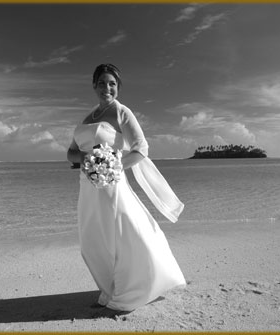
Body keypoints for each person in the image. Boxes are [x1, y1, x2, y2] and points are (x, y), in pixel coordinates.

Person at [67, 63, 186, 312]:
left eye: (112, 84)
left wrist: (113, 167)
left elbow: (141, 149)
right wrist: (89, 161)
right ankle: (108, 289)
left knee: (123, 235)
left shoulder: (122, 112)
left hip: (112, 186)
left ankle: (127, 293)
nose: (106, 88)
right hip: (88, 186)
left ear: (118, 88)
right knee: (93, 240)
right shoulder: (89, 117)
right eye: (102, 83)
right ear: (94, 86)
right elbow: (71, 152)